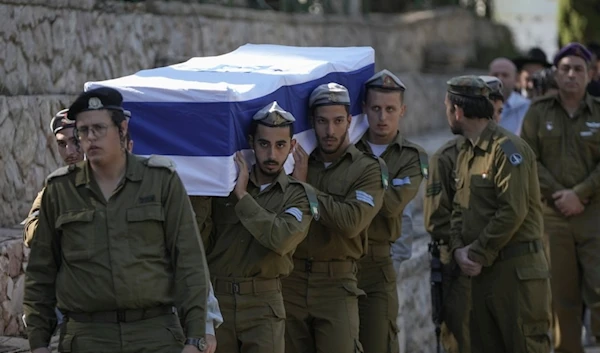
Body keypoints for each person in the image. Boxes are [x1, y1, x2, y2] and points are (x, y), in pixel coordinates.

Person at [23, 87, 211, 353]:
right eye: (84, 131)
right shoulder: (60, 190)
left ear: (122, 130)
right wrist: (38, 343)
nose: (90, 138)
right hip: (88, 337)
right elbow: (41, 272)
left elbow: (189, 263)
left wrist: (195, 339)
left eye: (99, 128)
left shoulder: (161, 182)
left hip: (155, 334)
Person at [447, 75, 551, 353]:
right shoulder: (467, 153)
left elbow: (512, 210)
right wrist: (458, 250)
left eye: (447, 108)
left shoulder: (507, 149)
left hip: (516, 274)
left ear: (457, 110)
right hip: (482, 273)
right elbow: (460, 209)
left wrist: (477, 253)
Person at [203, 101, 316, 353]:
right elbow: (202, 241)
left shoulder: (299, 196)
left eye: (280, 145)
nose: (272, 155)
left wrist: (243, 196)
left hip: (263, 306)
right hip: (218, 303)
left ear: (292, 146)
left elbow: (282, 239)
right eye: (264, 144)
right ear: (251, 142)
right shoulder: (223, 188)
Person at [283, 83, 387, 353]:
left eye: (338, 121)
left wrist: (304, 188)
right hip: (290, 281)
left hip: (336, 284)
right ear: (311, 123)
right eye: (322, 121)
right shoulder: (294, 162)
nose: (330, 131)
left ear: (349, 121)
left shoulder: (368, 169)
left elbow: (351, 221)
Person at [521, 42, 600, 353]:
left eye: (578, 69)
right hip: (553, 216)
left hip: (594, 213)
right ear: (556, 73)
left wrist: (579, 193)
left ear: (590, 73)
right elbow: (528, 159)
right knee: (561, 297)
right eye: (565, 68)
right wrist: (560, 195)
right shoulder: (538, 114)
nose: (571, 75)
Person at [423, 75, 504, 353]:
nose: (494, 119)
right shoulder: (446, 158)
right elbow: (436, 220)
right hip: (461, 271)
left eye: (498, 112)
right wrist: (466, 250)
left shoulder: (509, 154)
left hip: (502, 267)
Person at [353, 69, 428, 353]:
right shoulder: (349, 150)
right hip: (343, 261)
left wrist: (357, 194)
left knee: (380, 340)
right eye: (375, 109)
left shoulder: (411, 156)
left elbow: (394, 206)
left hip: (384, 261)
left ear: (402, 110)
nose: (382, 117)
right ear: (364, 109)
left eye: (390, 109)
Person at [489, 57, 530, 135]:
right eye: (495, 74)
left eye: (505, 75)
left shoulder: (526, 108)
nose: (499, 79)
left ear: (516, 79)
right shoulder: (478, 105)